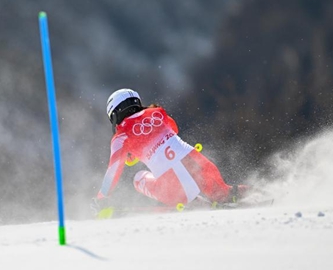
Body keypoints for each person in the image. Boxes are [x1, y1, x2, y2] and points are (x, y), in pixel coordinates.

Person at [93, 88, 242, 211]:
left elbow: (113, 171)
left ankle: (184, 203)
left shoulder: (121, 138)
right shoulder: (157, 112)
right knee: (224, 193)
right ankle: (259, 192)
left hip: (172, 189)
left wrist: (102, 197)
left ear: (115, 115)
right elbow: (173, 129)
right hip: (199, 168)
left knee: (138, 177)